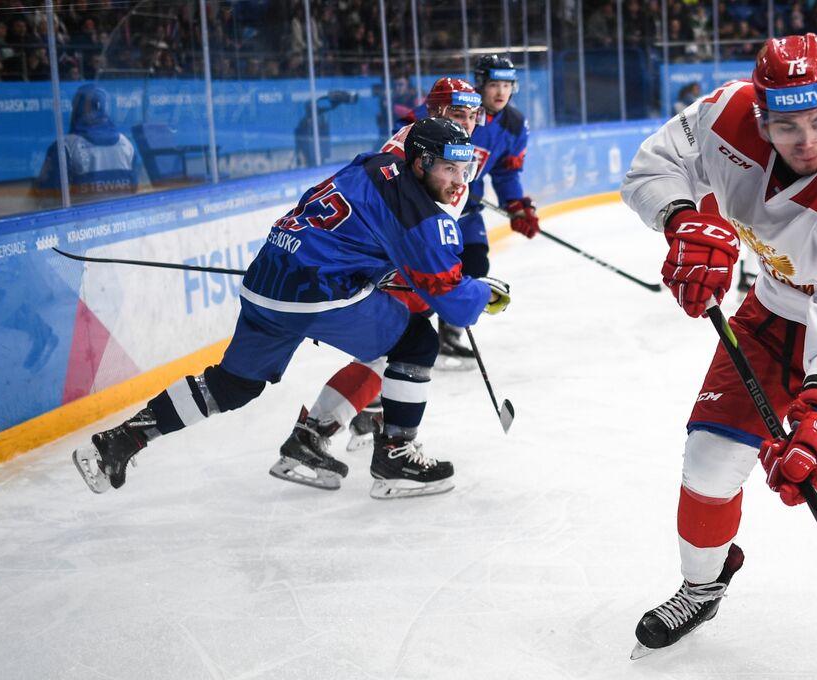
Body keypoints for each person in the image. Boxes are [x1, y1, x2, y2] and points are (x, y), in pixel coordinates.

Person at [620, 33, 817, 652]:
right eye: (787, 125)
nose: (808, 141)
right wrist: (681, 221)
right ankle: (703, 588)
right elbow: (651, 167)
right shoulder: (723, 113)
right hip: (778, 304)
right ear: (760, 115)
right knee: (710, 459)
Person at [74, 118, 509, 500]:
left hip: (268, 278)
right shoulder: (421, 217)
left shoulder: (372, 165)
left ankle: (122, 439)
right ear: (421, 163)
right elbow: (453, 301)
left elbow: (356, 231)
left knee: (231, 386)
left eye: (464, 168)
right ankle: (395, 455)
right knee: (416, 341)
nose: (459, 180)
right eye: (449, 168)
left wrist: (376, 270)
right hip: (318, 291)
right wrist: (482, 294)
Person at [268, 78, 490, 489]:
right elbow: (396, 216)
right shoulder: (411, 149)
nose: (469, 122)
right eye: (459, 113)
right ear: (437, 111)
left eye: (473, 115)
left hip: (402, 264)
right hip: (389, 266)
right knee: (400, 348)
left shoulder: (452, 150)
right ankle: (367, 444)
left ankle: (320, 432)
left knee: (387, 354)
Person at [435, 53, 538, 365]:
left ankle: (448, 335)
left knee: (476, 263)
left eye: (507, 85)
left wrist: (517, 206)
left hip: (467, 208)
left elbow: (507, 171)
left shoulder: (514, 124)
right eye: (494, 84)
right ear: (480, 83)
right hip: (433, 207)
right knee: (427, 269)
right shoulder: (458, 110)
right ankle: (404, 336)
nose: (501, 92)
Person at [33, 84, 139, 203]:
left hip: (78, 219)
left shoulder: (66, 146)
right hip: (121, 217)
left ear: (78, 108)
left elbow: (47, 195)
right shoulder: (126, 144)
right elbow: (133, 188)